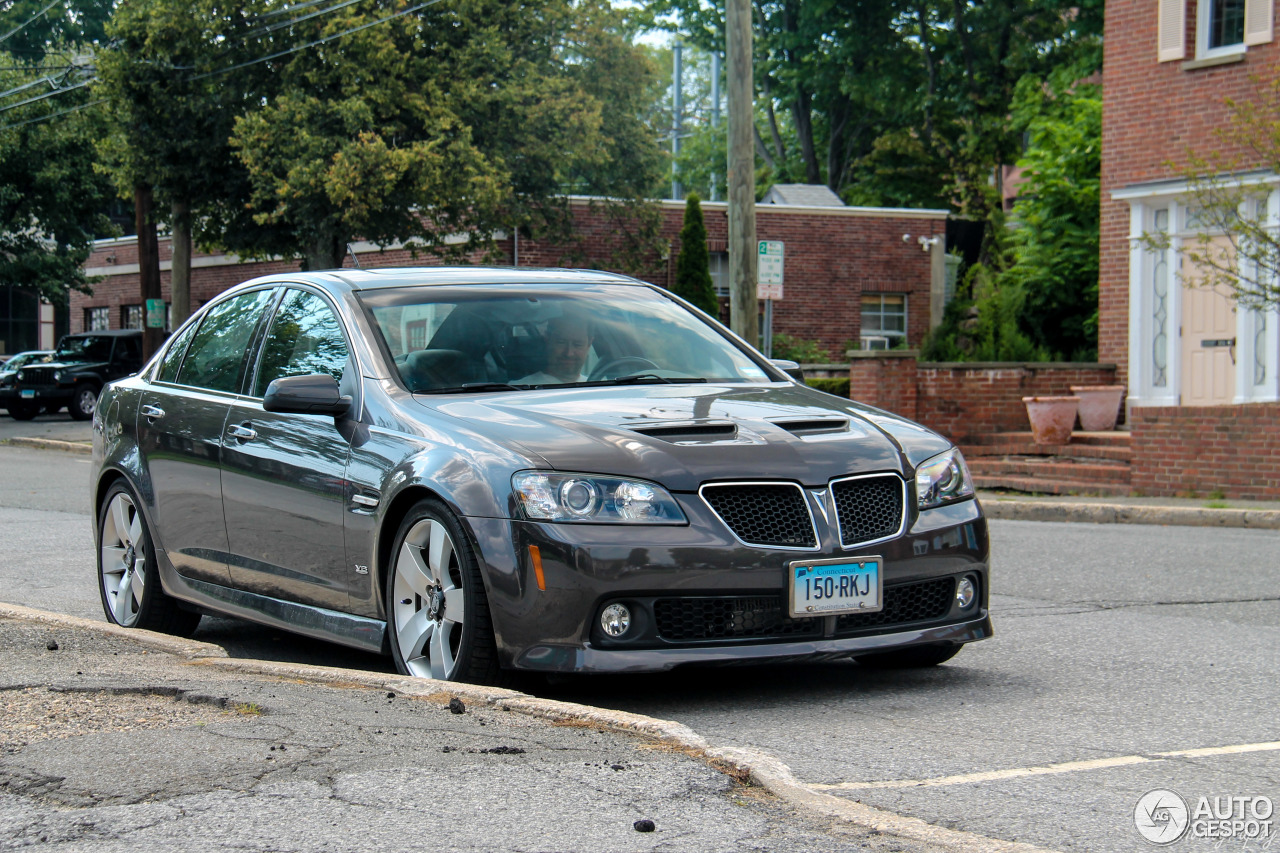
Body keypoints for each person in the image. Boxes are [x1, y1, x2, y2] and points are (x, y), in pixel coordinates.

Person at [515, 313, 593, 384]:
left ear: (589, 344)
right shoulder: (516, 391)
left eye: (577, 344)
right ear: (547, 340)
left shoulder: (601, 387)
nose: (569, 353)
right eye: (561, 342)